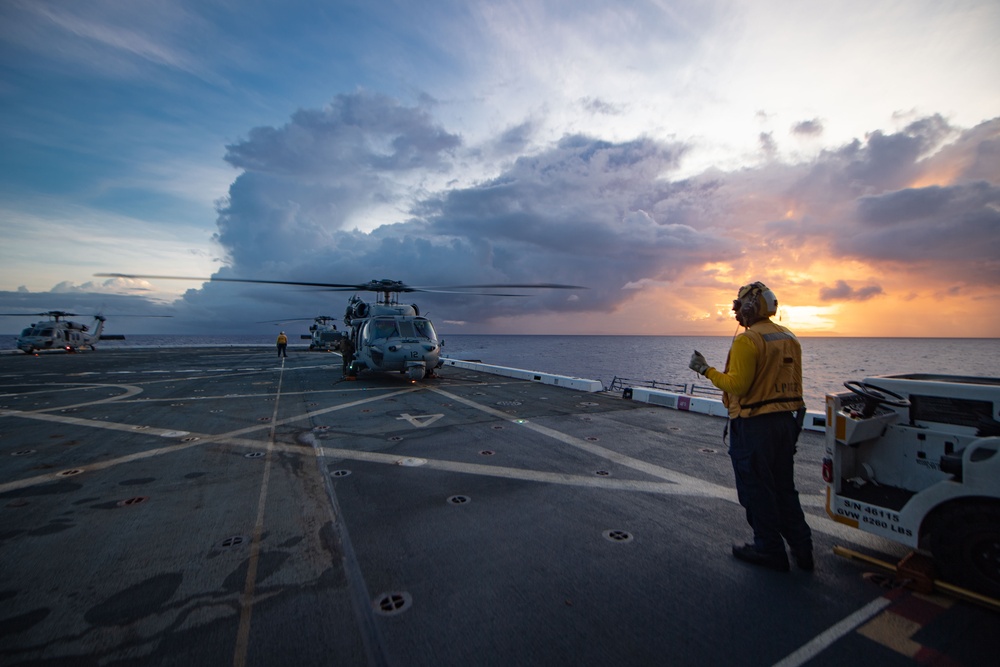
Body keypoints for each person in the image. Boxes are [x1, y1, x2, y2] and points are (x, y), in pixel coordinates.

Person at [689, 282, 813, 572]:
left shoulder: (748, 341)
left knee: (757, 490)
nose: (736, 311)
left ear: (750, 307)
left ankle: (769, 549)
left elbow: (738, 386)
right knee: (784, 488)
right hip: (786, 424)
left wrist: (704, 369)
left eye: (739, 305)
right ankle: (803, 549)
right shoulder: (789, 337)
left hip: (755, 426)